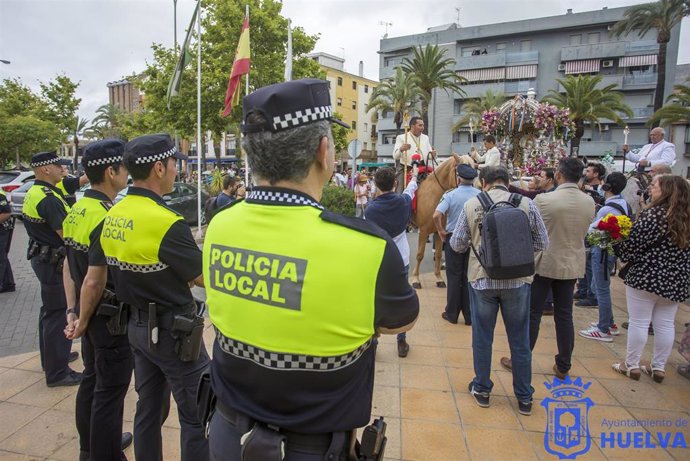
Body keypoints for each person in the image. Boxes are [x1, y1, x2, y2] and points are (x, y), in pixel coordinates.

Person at [203, 78, 419, 460]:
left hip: (226, 434)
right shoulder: (366, 245)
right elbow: (400, 321)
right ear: (324, 152)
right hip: (313, 448)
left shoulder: (219, 225)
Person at [99, 134, 210, 460]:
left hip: (136, 327)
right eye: (175, 163)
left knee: (148, 409)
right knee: (198, 414)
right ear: (160, 167)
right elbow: (203, 276)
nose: (177, 170)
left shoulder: (114, 214)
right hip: (174, 335)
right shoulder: (166, 222)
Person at [450, 166, 548, 416]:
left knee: (483, 337)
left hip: (482, 280)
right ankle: (524, 396)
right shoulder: (526, 203)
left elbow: (457, 244)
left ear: (484, 182)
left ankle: (482, 389)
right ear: (507, 182)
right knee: (520, 339)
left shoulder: (472, 204)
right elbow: (542, 243)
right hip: (518, 282)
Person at [62, 140, 133, 461]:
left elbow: (67, 265)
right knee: (110, 393)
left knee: (91, 381)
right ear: (111, 171)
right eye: (124, 167)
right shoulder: (106, 216)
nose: (128, 173)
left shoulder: (77, 209)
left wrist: (72, 311)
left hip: (87, 315)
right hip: (106, 319)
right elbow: (94, 278)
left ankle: (88, 448)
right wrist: (85, 318)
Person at [501, 158, 595, 380]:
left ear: (559, 175)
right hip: (572, 263)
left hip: (545, 262)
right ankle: (564, 364)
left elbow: (529, 228)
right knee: (565, 315)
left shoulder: (545, 200)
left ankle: (521, 360)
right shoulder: (589, 202)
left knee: (532, 314)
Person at [612, 175, 690, 382]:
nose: (651, 189)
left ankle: (631, 364)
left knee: (639, 321)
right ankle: (658, 367)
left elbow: (631, 246)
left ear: (665, 190)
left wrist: (618, 242)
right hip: (676, 280)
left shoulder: (652, 215)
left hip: (646, 276)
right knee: (666, 324)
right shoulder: (687, 218)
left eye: (654, 186)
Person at [22, 152, 81, 387]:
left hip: (42, 259)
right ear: (45, 169)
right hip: (54, 264)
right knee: (59, 315)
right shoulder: (48, 199)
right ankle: (58, 372)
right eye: (58, 166)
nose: (62, 170)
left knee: (49, 313)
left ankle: (53, 358)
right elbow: (67, 236)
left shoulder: (35, 192)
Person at [365, 166, 418, 357]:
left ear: (375, 184)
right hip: (401, 257)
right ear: (394, 183)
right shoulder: (403, 202)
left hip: (378, 258)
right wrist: (414, 177)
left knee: (374, 298)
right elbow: (410, 189)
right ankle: (401, 341)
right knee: (401, 297)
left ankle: (374, 340)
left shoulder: (370, 210)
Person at [578, 172, 630, 342]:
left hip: (602, 250)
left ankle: (603, 328)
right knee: (603, 286)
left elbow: (592, 229)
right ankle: (610, 322)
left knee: (600, 288)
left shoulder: (608, 208)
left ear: (607, 187)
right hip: (611, 250)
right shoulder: (623, 203)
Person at [434, 164, 480, 325]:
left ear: (459, 178)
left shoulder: (451, 194)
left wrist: (440, 231)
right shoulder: (480, 195)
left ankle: (452, 313)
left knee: (453, 276)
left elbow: (436, 215)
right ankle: (469, 315)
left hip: (453, 237)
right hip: (473, 239)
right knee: (469, 277)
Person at [393, 116, 436, 192]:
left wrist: (433, 154)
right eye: (420, 125)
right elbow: (395, 156)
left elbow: (429, 156)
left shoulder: (425, 138)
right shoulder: (401, 137)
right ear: (412, 126)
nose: (422, 128)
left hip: (422, 169)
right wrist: (401, 149)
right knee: (399, 191)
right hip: (406, 168)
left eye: (423, 125)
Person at [0, 188, 15, 293]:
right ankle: (8, 284)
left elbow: (6, 213)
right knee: (2, 257)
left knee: (1, 258)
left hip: (2, 230)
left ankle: (3, 284)